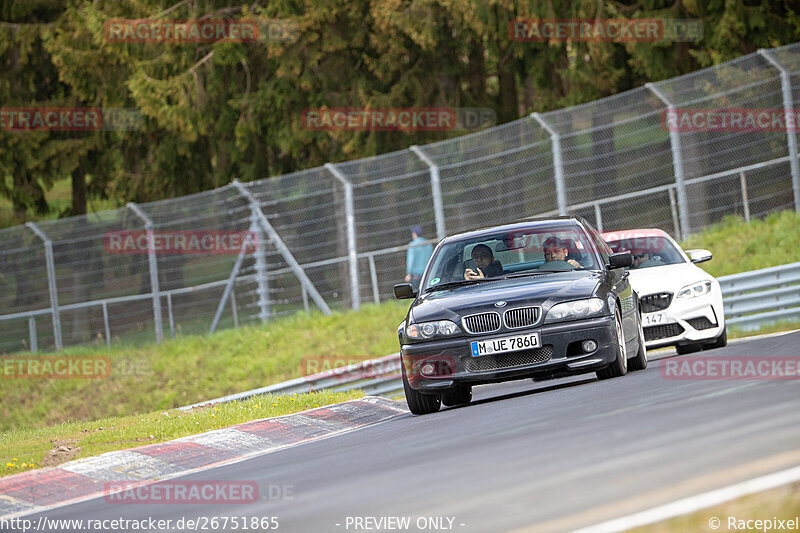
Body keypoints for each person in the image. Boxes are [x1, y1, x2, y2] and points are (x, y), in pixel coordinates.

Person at [405, 225, 433, 291]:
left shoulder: (412, 245)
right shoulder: (428, 244)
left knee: (417, 292)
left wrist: (409, 273)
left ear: (414, 234)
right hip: (428, 273)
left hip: (416, 275)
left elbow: (410, 261)